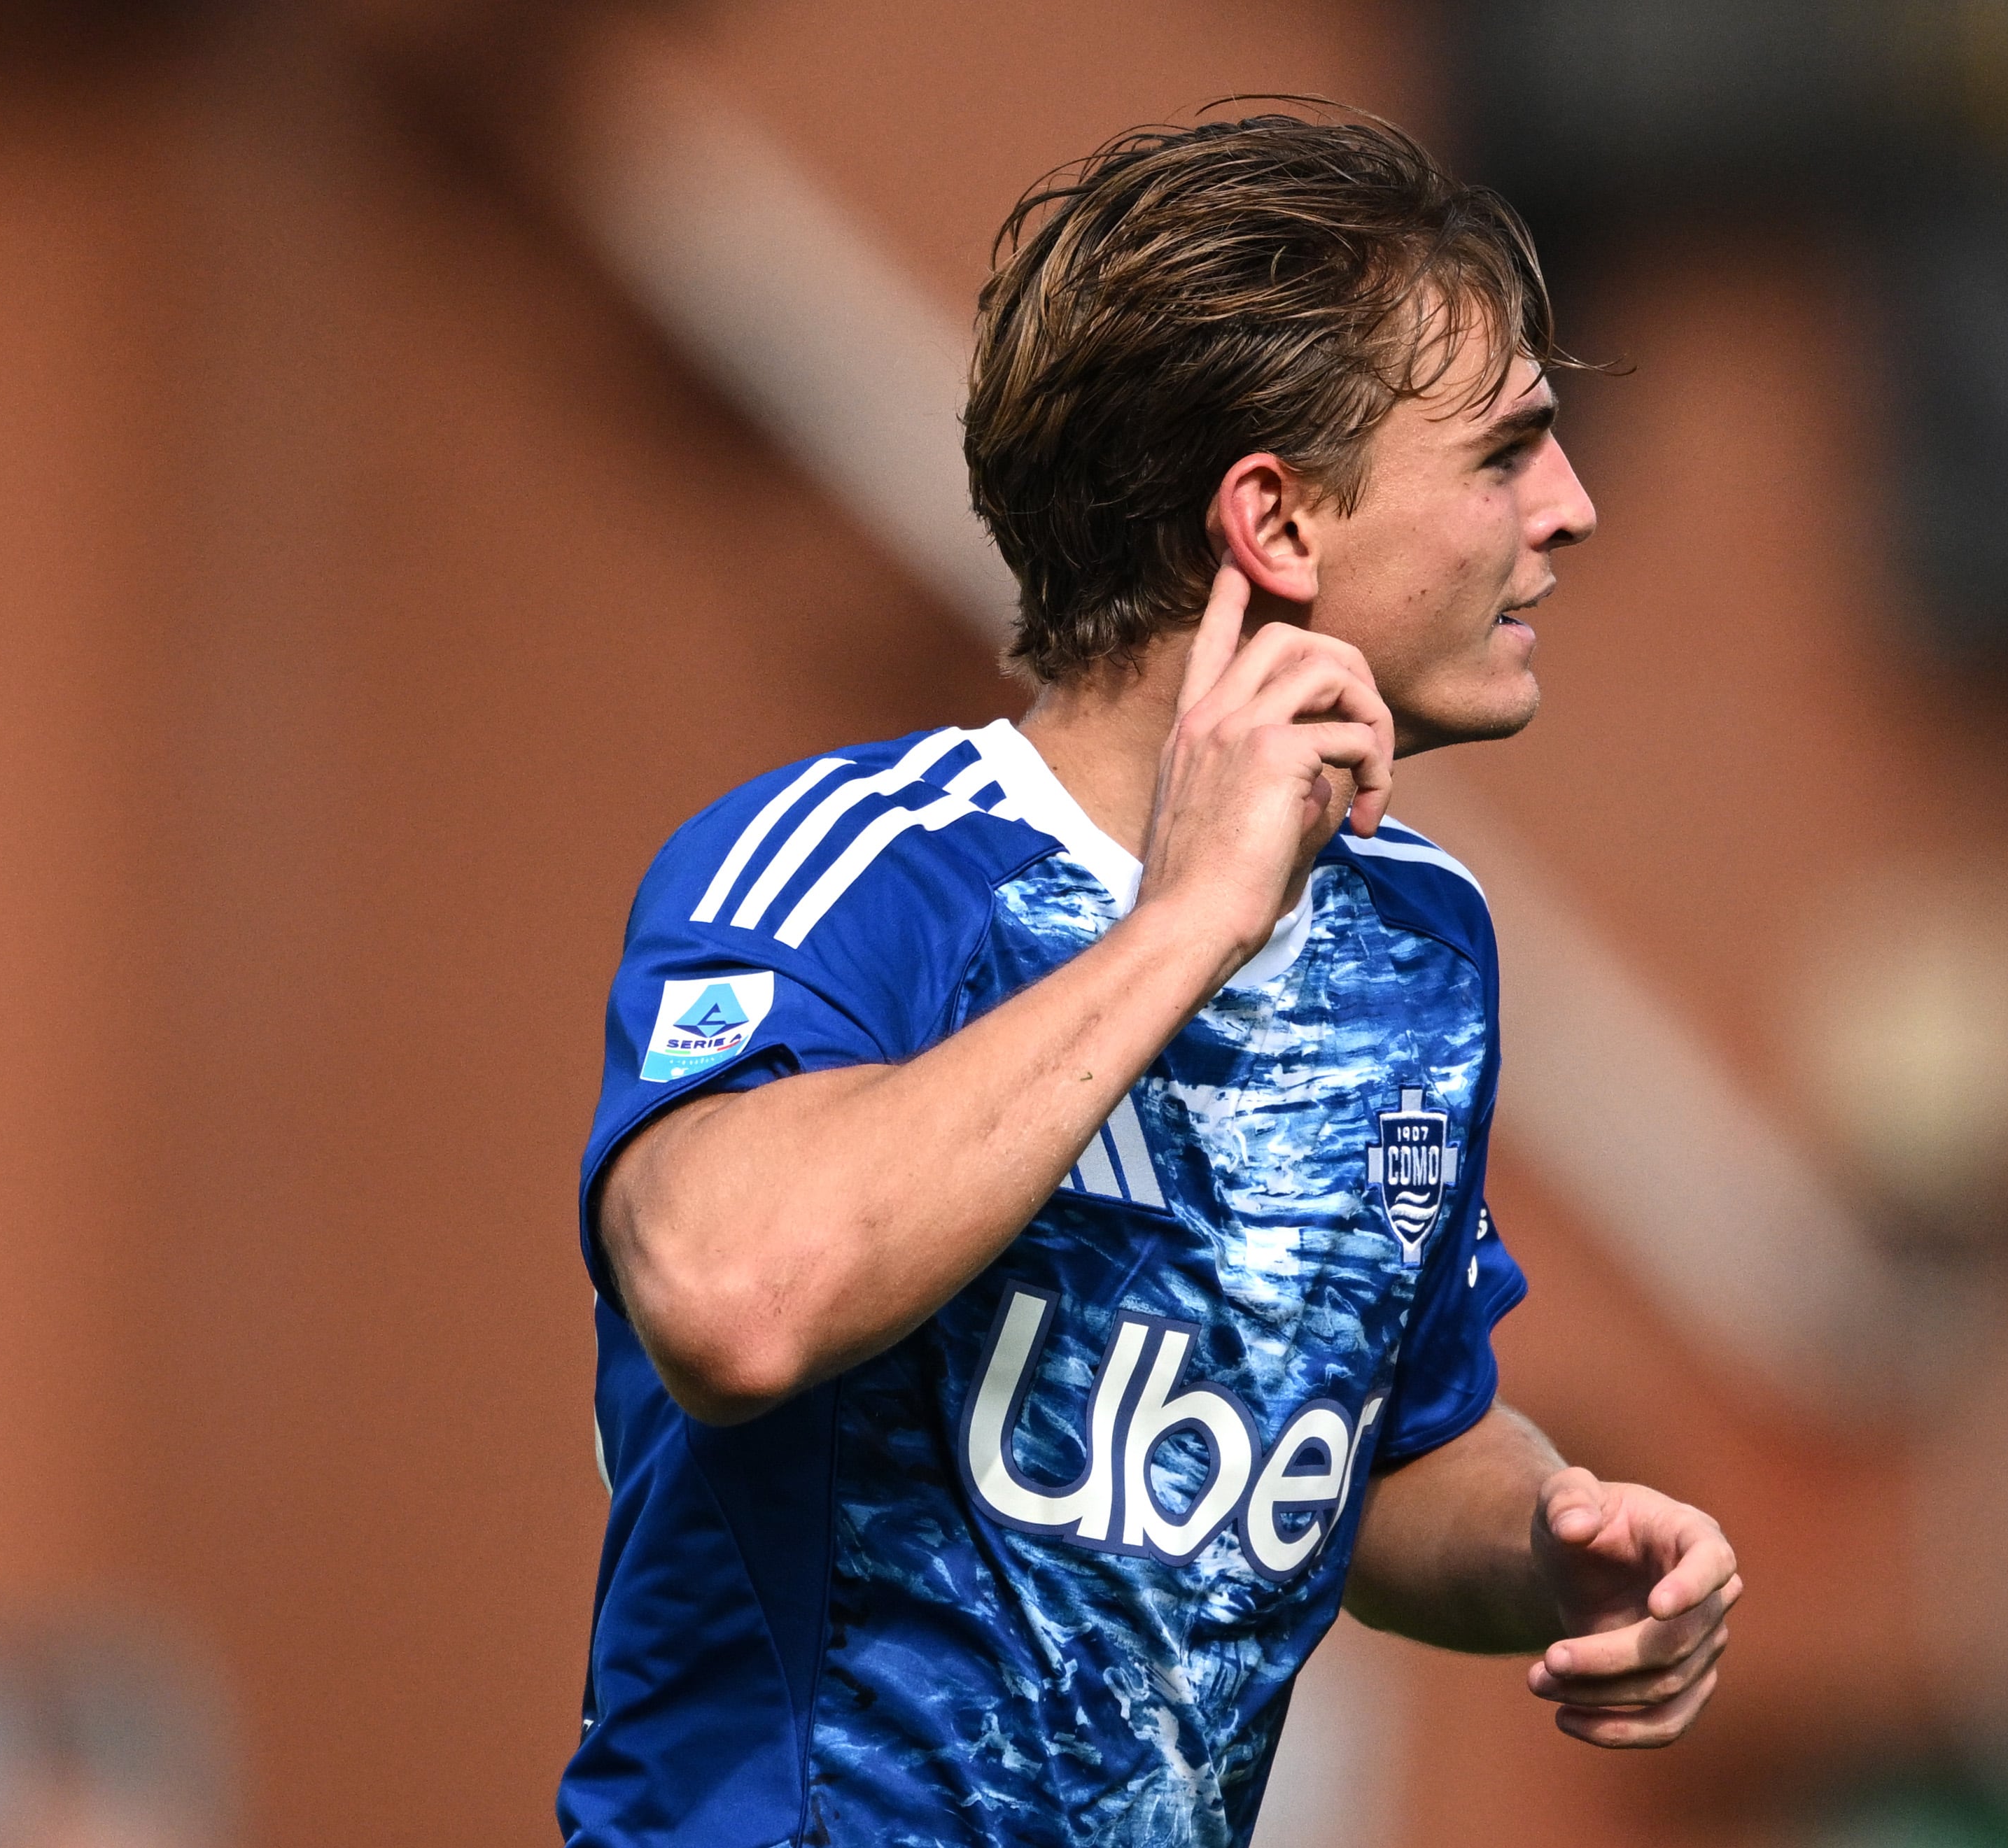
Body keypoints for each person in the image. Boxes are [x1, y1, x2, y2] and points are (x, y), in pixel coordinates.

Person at [561, 111, 1739, 1847]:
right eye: (1506, 453)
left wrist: (1555, 1539)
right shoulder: (863, 871)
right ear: (1271, 518)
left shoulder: (1417, 947)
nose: (1567, 511)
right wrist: (1185, 926)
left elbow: (1372, 1450)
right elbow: (737, 1297)